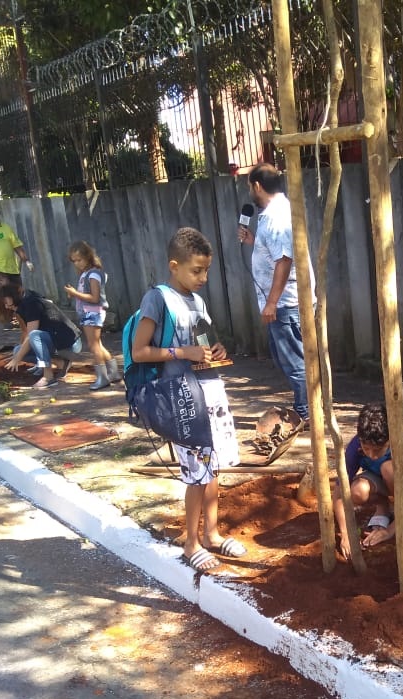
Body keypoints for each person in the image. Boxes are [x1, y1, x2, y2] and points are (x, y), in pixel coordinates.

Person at [131, 227, 243, 572]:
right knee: (195, 471)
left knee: (212, 467)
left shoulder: (198, 301)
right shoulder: (158, 298)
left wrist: (215, 349)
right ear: (174, 265)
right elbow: (139, 352)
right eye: (196, 270)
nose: (203, 277)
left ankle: (212, 533)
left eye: (206, 270)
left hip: (208, 389)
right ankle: (191, 542)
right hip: (180, 397)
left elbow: (204, 341)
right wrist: (183, 351)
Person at [238, 162, 314, 424]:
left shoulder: (277, 216)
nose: (250, 191)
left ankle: (305, 414)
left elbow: (284, 260)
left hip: (285, 304)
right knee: (289, 360)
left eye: (250, 186)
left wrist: (272, 302)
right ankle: (307, 408)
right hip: (282, 304)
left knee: (295, 363)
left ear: (257, 186)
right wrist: (252, 241)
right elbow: (276, 253)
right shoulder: (274, 214)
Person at [332, 403, 403, 560]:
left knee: (387, 468)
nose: (371, 455)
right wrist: (346, 533)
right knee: (357, 490)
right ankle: (382, 508)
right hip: (379, 483)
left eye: (377, 450)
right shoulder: (354, 448)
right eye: (366, 448)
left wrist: (389, 531)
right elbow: (338, 494)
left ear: (389, 441)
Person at [0, 284, 82, 389]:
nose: (6, 306)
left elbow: (31, 334)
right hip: (56, 340)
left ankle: (48, 377)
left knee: (34, 336)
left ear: (12, 296)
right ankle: (62, 363)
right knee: (18, 350)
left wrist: (16, 359)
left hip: (70, 344)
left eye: (5, 302)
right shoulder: (25, 300)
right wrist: (17, 356)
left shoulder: (31, 304)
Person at [64, 240, 121, 390]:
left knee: (93, 345)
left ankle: (102, 377)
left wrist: (75, 293)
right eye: (74, 261)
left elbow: (95, 298)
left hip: (92, 313)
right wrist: (75, 294)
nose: (77, 263)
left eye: (79, 260)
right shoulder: (86, 274)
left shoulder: (93, 274)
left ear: (88, 256)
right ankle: (113, 373)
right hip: (89, 312)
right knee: (98, 344)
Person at [0, 207, 33, 290]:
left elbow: (16, 245)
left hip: (13, 269)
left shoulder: (6, 228)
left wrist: (27, 261)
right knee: (6, 292)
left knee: (18, 292)